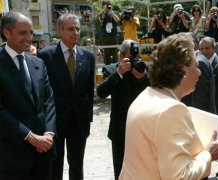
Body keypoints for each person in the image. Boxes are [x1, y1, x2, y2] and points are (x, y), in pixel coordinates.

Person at [119, 33, 218, 179]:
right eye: (196, 66)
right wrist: (208, 154)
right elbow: (179, 176)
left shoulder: (145, 95)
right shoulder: (172, 110)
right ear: (183, 70)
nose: (199, 73)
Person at [37, 13, 95, 180]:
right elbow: (42, 91)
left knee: (77, 165)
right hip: (55, 121)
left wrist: (88, 119)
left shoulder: (88, 57)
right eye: (70, 29)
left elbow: (89, 92)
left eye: (77, 29)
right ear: (59, 30)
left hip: (79, 122)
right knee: (55, 165)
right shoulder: (46, 56)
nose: (75, 32)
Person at [0, 11, 56, 180]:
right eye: (23, 33)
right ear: (6, 33)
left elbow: (49, 100)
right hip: (12, 155)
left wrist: (49, 134)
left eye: (31, 32)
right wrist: (30, 137)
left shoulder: (37, 63)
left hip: (43, 153)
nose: (29, 38)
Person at [97, 39, 149, 179]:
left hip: (142, 127)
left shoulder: (143, 68)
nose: (135, 59)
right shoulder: (111, 69)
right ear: (121, 56)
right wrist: (119, 73)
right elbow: (101, 92)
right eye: (132, 55)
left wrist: (143, 78)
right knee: (120, 170)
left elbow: (157, 89)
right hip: (120, 129)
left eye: (137, 55)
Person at [181, 32, 216, 114]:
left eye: (185, 43)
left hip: (200, 116)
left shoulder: (199, 62)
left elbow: (200, 97)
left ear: (195, 44)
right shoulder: (198, 59)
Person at [99, 0, 120, 65]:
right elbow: (101, 21)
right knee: (106, 54)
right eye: (104, 5)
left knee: (115, 54)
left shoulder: (114, 12)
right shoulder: (102, 14)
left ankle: (116, 68)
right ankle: (107, 68)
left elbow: (117, 20)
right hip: (105, 37)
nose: (106, 6)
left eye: (107, 5)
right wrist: (104, 12)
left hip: (113, 36)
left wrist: (111, 12)